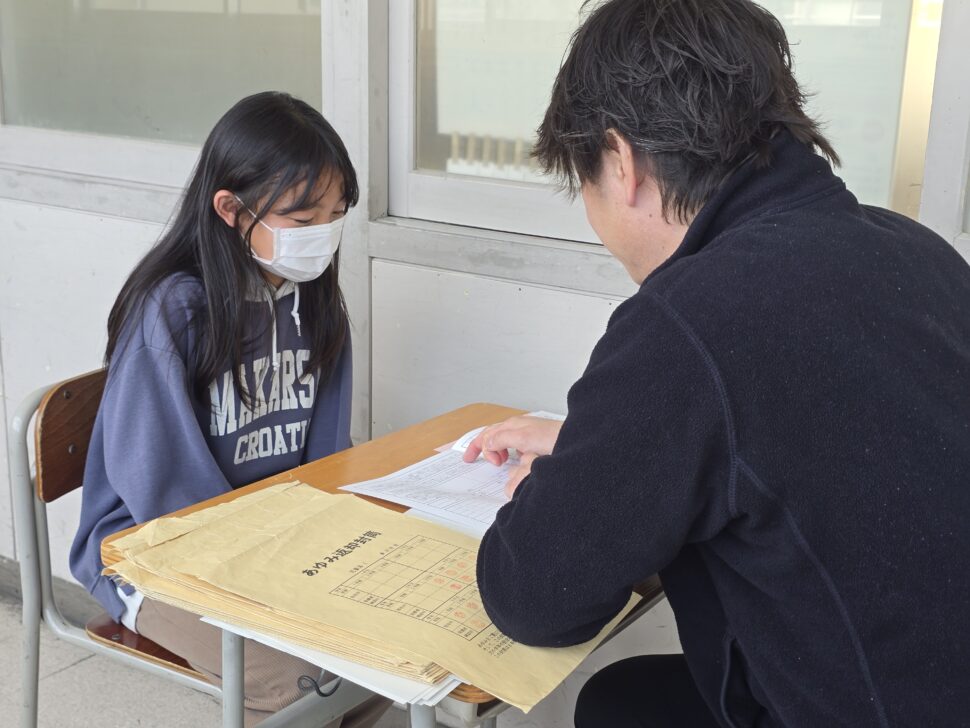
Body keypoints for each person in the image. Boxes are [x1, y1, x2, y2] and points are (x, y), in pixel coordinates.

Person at [466, 1, 970, 726]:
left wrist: (546, 492)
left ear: (621, 162)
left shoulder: (691, 318)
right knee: (623, 699)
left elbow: (535, 596)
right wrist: (596, 446)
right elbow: (814, 437)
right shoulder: (916, 252)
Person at [70, 92, 389, 727]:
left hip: (271, 540)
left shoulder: (315, 302)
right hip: (154, 554)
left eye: (336, 215)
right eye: (302, 218)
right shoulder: (175, 312)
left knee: (388, 659)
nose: (323, 235)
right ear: (230, 209)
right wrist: (266, 565)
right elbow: (160, 488)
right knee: (306, 687)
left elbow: (327, 458)